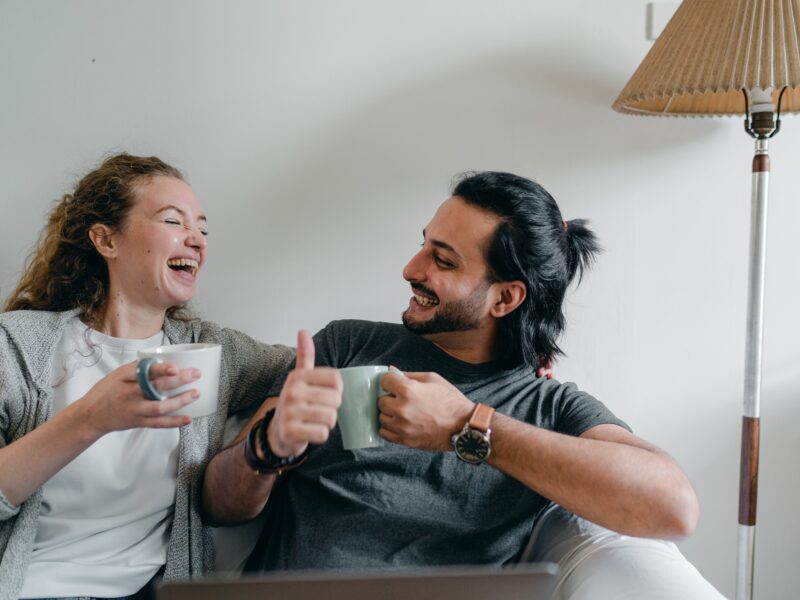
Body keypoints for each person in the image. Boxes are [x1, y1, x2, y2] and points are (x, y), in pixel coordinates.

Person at [202, 171, 724, 598]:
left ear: (505, 299)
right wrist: (266, 447)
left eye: (443, 260)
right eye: (423, 245)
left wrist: (464, 426)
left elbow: (675, 508)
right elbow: (218, 504)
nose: (411, 268)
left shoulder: (548, 406)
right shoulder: (345, 346)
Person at [0, 153, 294, 600]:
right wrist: (91, 418)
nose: (197, 240)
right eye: (174, 222)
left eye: (203, 228)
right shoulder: (17, 344)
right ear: (105, 239)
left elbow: (316, 364)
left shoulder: (213, 353)